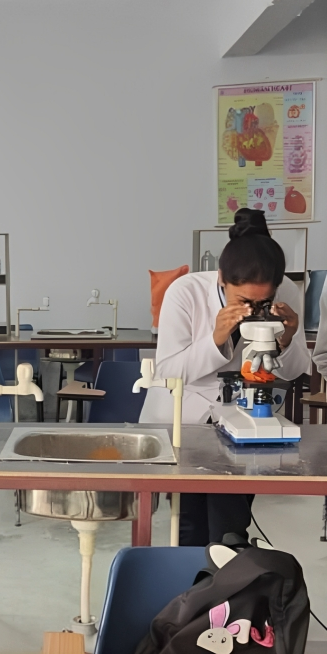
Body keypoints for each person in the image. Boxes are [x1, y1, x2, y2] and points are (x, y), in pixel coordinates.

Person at [140, 208, 310, 546]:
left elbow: (293, 371)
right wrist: (216, 338)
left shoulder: (287, 292)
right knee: (189, 525)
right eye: (244, 300)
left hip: (245, 421)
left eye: (264, 301)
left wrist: (287, 339)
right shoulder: (185, 292)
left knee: (230, 527)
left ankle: (230, 576)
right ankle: (193, 579)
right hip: (184, 419)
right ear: (221, 279)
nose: (255, 308)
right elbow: (169, 370)